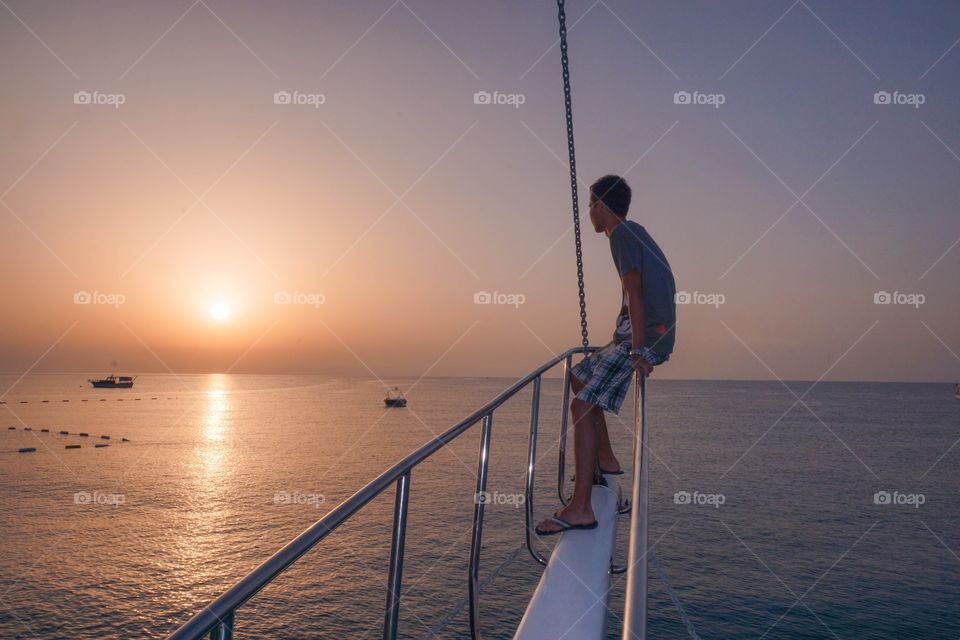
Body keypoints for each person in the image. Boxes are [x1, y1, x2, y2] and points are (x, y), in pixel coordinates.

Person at [535, 174, 676, 536]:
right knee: (578, 376)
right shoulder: (633, 232)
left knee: (581, 406)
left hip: (642, 338)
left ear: (600, 205)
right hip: (635, 335)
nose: (589, 214)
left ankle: (581, 508)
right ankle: (606, 458)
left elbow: (635, 293)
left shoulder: (622, 236)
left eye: (590, 205)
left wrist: (640, 349)